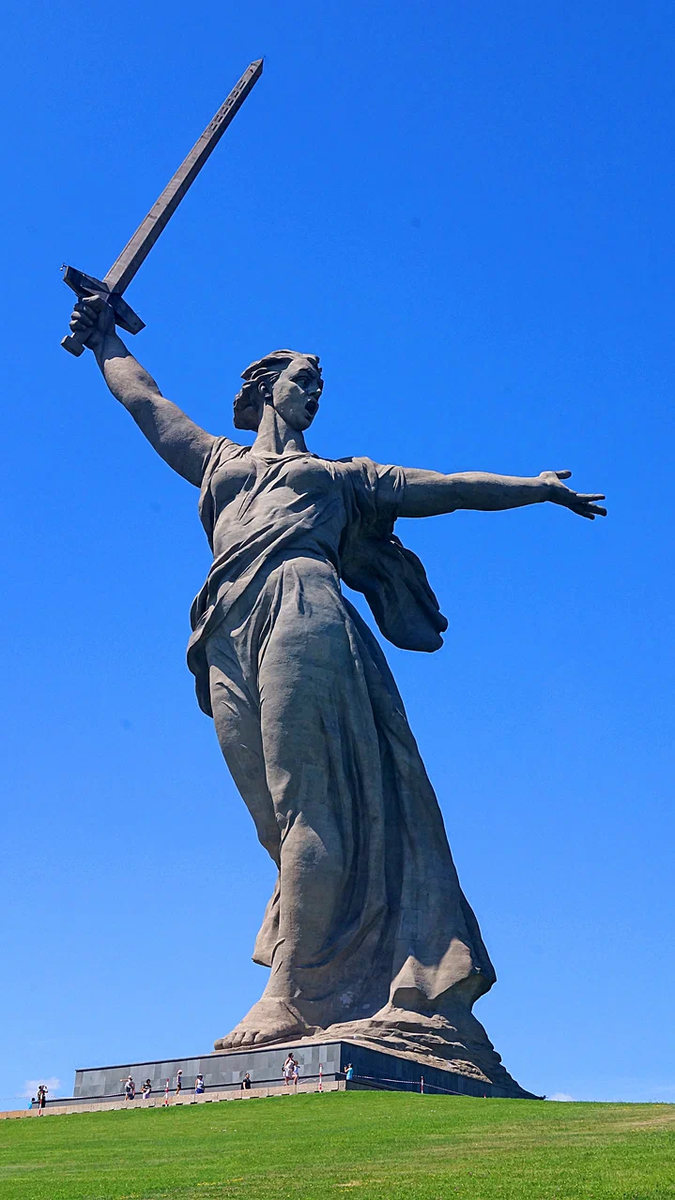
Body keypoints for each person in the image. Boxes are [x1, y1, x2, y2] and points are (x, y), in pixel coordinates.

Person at [69, 300, 606, 1066]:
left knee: (306, 805)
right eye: (303, 380)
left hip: (304, 604)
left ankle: (287, 994)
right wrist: (103, 338)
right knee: (272, 821)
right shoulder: (219, 462)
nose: (314, 393)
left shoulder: (342, 477)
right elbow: (146, 402)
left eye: (319, 385)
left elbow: (448, 487)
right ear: (264, 387)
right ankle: (331, 971)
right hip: (222, 625)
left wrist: (535, 486)